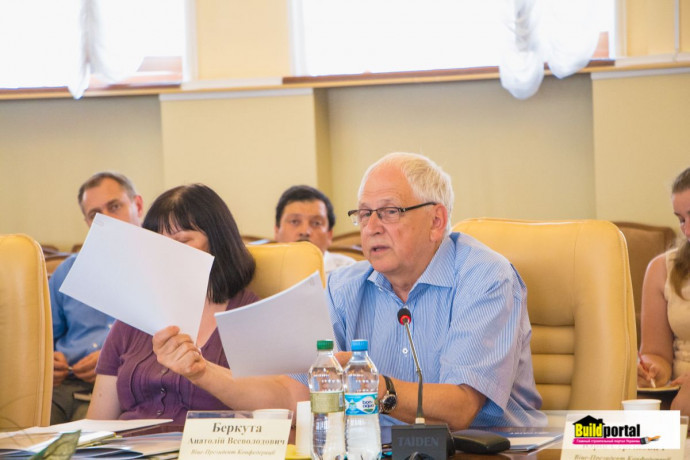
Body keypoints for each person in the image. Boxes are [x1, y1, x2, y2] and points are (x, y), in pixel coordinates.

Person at [152, 152, 544, 432]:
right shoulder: (344, 287)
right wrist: (202, 371)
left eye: (389, 212)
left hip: (486, 449)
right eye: (364, 214)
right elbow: (293, 396)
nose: (371, 227)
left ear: (436, 220)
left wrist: (370, 386)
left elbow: (460, 408)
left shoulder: (485, 277)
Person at [86, 184, 259, 424]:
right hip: (128, 443)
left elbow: (273, 408)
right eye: (158, 244)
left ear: (217, 242)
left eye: (182, 241)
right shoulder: (131, 317)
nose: (166, 254)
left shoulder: (251, 315)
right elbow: (97, 423)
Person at [50, 171, 144, 424]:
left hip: (123, 385)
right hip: (63, 385)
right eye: (95, 214)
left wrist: (112, 360)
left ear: (137, 205)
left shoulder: (161, 266)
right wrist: (47, 361)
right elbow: (42, 340)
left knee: (83, 438)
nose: (106, 219)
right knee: (23, 433)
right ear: (87, 222)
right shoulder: (69, 271)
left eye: (114, 207)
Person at [638, 167, 690, 414]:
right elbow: (655, 352)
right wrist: (653, 370)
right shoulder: (661, 269)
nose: (687, 231)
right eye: (681, 220)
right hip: (678, 395)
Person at [274, 185, 356, 274]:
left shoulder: (348, 271)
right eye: (294, 221)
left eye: (316, 223)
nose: (305, 231)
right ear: (277, 231)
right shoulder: (264, 270)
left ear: (329, 234)